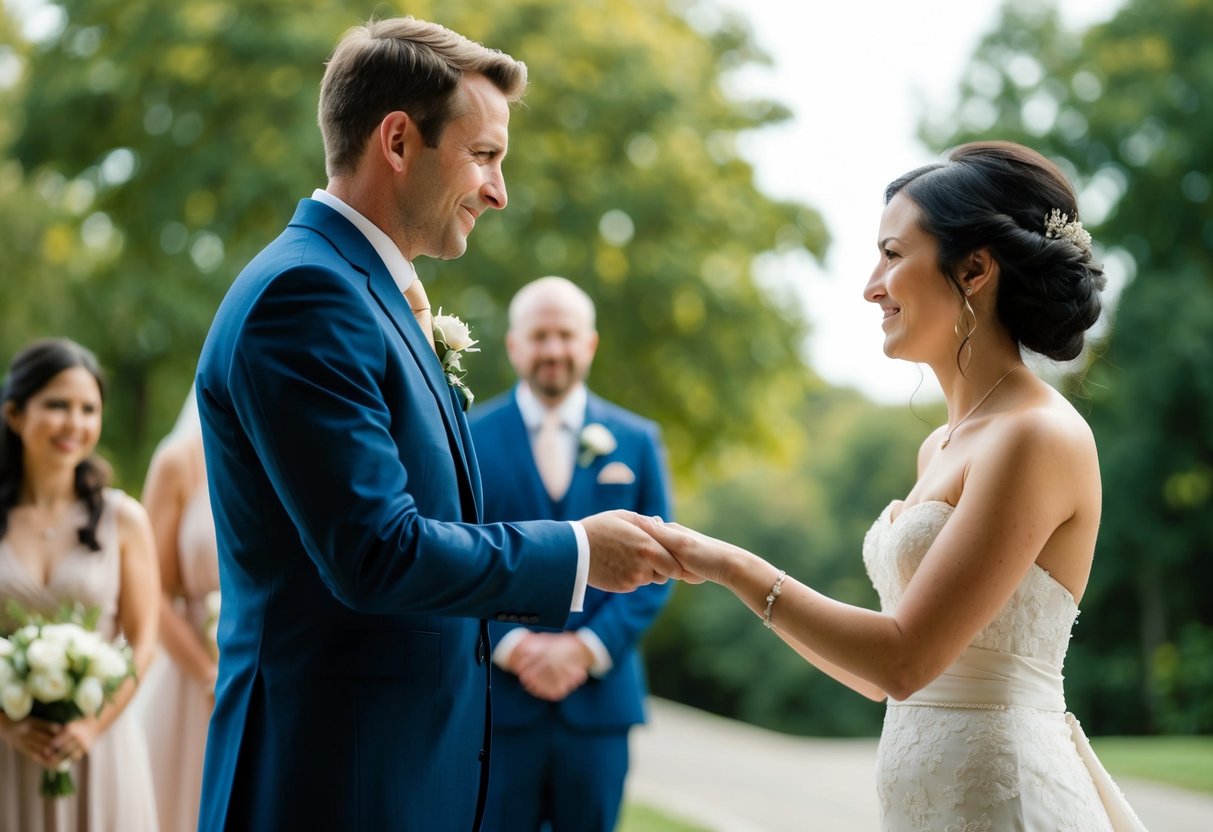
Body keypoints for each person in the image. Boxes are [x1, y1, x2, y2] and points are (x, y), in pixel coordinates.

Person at [193, 17, 681, 832]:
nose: (498, 191)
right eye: (484, 155)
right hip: (332, 778)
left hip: (395, 766)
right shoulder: (306, 298)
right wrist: (580, 551)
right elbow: (377, 551)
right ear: (396, 141)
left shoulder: (361, 292)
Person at [641, 142, 1147, 830]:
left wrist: (731, 565)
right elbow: (881, 677)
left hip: (1005, 801)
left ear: (973, 270)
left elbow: (904, 659)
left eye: (892, 254)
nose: (871, 285)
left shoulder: (1034, 435)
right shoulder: (937, 447)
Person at [470, 277, 674, 832]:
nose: (553, 350)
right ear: (514, 345)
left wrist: (585, 649)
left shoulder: (637, 441)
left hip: (600, 706)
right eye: (539, 336)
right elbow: (452, 554)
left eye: (566, 335)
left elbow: (664, 568)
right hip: (497, 705)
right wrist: (511, 646)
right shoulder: (469, 437)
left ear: (589, 344)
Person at [0, 338, 160, 832]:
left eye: (88, 409)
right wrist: (7, 726)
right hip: (8, 751)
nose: (75, 423)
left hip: (102, 747)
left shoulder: (123, 519)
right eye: (57, 405)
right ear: (14, 415)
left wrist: (91, 727)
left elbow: (144, 642)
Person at [134, 391, 218, 832]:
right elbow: (151, 592)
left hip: (263, 676)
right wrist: (209, 675)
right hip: (188, 678)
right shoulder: (179, 463)